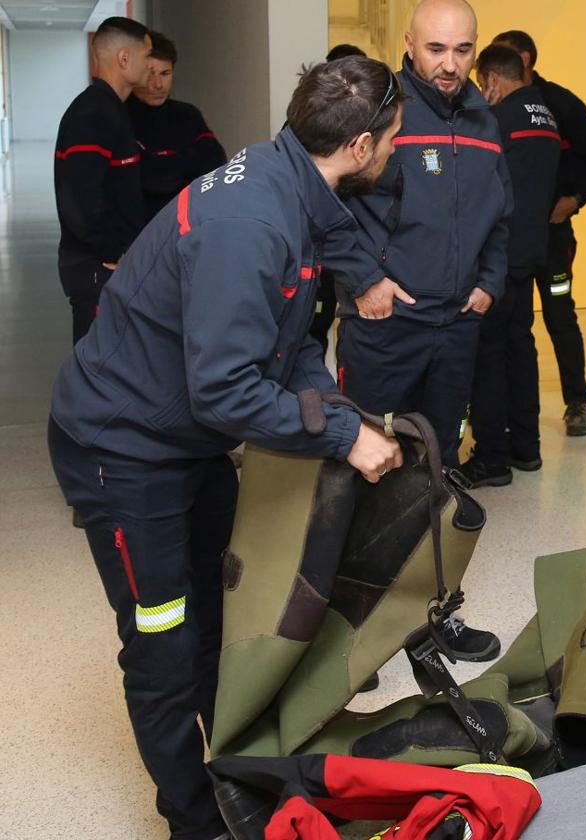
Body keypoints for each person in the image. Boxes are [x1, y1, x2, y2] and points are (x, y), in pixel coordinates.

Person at [47, 57, 406, 840]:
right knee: (165, 647)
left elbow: (287, 344)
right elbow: (227, 392)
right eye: (393, 139)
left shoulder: (292, 184)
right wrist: (343, 436)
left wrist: (339, 408)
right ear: (361, 145)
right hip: (122, 448)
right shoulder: (251, 223)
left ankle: (241, 773)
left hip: (183, 440)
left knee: (221, 613)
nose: (394, 151)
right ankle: (195, 821)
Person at [326, 0, 510, 662]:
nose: (450, 65)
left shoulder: (486, 121)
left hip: (456, 324)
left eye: (463, 51)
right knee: (363, 469)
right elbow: (326, 201)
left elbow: (501, 215)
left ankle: (434, 613)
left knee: (441, 469)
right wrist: (363, 283)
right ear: (409, 44)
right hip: (385, 325)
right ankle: (346, 629)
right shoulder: (380, 112)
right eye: (436, 49)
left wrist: (489, 281)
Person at [492, 30, 586, 439]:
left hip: (552, 237)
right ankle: (503, 408)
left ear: (524, 60)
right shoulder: (495, 109)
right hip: (511, 241)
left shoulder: (559, 103)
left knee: (560, 316)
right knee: (511, 322)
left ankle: (576, 402)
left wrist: (576, 198)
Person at [459, 45, 561, 488]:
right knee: (521, 348)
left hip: (498, 256)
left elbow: (481, 189)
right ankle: (526, 447)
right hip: (532, 249)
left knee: (489, 356)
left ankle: (492, 457)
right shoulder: (546, 114)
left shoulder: (499, 119)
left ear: (493, 81)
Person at [54, 16, 150, 344]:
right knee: (95, 369)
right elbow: (78, 199)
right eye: (146, 56)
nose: (150, 66)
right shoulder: (93, 114)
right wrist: (112, 251)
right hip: (96, 268)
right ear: (124, 59)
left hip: (110, 266)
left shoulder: (113, 110)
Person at [127, 31, 227, 221]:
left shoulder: (187, 114)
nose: (157, 84)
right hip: (137, 234)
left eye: (165, 73)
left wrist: (158, 163)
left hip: (186, 228)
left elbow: (215, 162)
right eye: (149, 74)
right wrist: (185, 163)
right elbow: (151, 180)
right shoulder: (120, 118)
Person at [309, 42, 369, 354]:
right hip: (318, 246)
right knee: (311, 330)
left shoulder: (378, 125)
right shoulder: (308, 125)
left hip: (358, 249)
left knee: (357, 325)